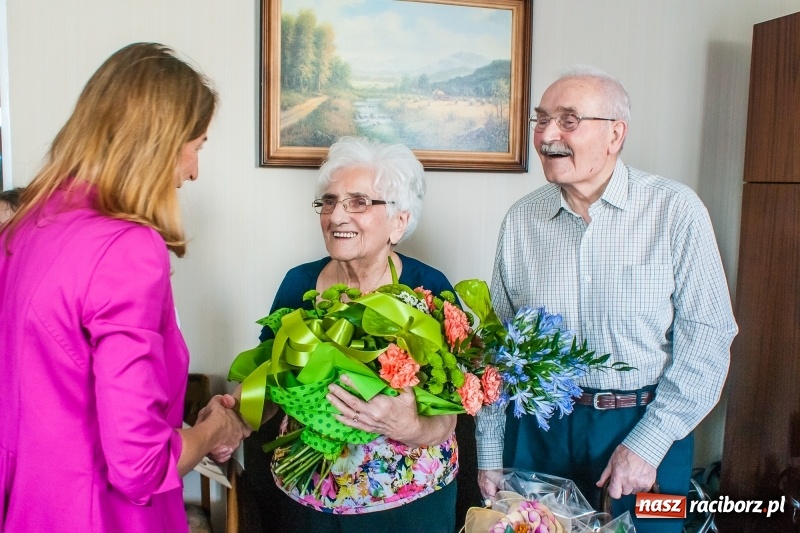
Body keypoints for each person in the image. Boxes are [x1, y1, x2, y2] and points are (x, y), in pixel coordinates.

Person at [0, 43, 251, 533]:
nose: (193, 171)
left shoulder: (28, 226)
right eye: (196, 146)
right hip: (103, 515)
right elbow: (140, 467)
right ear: (158, 142)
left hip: (30, 506)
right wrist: (212, 430)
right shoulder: (127, 247)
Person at [476, 66, 738, 533]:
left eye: (568, 119)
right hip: (540, 430)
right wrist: (491, 454)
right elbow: (496, 349)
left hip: (648, 426)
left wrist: (648, 444)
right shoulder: (521, 220)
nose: (547, 135)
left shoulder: (676, 211)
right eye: (541, 120)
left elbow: (709, 340)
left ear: (615, 134)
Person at [237, 136, 474, 533]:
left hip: (408, 506)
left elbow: (452, 416)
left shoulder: (428, 288)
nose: (336, 216)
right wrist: (233, 418)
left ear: (399, 221)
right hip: (306, 501)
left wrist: (410, 426)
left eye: (358, 202)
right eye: (328, 202)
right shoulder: (298, 283)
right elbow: (268, 387)